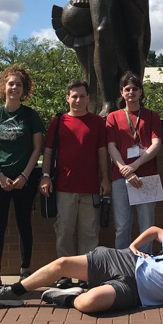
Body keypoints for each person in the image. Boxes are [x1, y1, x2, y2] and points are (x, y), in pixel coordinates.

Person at [0, 226, 163, 313]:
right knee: (62, 264)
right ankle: (13, 292)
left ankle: (69, 296)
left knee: (88, 304)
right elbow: (155, 231)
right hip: (125, 261)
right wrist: (133, 245)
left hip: (133, 291)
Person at [0, 65, 45, 286]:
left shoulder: (30, 116)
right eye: (11, 83)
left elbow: (37, 149)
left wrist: (25, 176)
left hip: (24, 180)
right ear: (3, 87)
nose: (14, 87)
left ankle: (25, 270)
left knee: (23, 223)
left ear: (24, 89)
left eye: (19, 84)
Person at [40, 79, 110, 264]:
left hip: (91, 187)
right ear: (67, 98)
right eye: (74, 96)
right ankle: (65, 274)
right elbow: (48, 152)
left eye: (82, 96)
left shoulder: (97, 122)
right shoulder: (58, 121)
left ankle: (87, 273)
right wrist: (45, 176)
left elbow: (102, 151)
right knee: (64, 231)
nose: (78, 100)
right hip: (64, 187)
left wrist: (105, 179)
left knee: (89, 233)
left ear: (88, 98)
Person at [106, 72, 163, 249]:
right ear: (122, 92)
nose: (131, 92)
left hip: (147, 176)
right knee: (122, 226)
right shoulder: (113, 117)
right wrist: (125, 169)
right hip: (120, 177)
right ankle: (122, 267)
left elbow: (157, 144)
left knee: (147, 226)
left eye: (135, 89)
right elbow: (111, 146)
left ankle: (144, 267)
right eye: (127, 89)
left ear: (141, 92)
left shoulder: (152, 116)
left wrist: (135, 165)